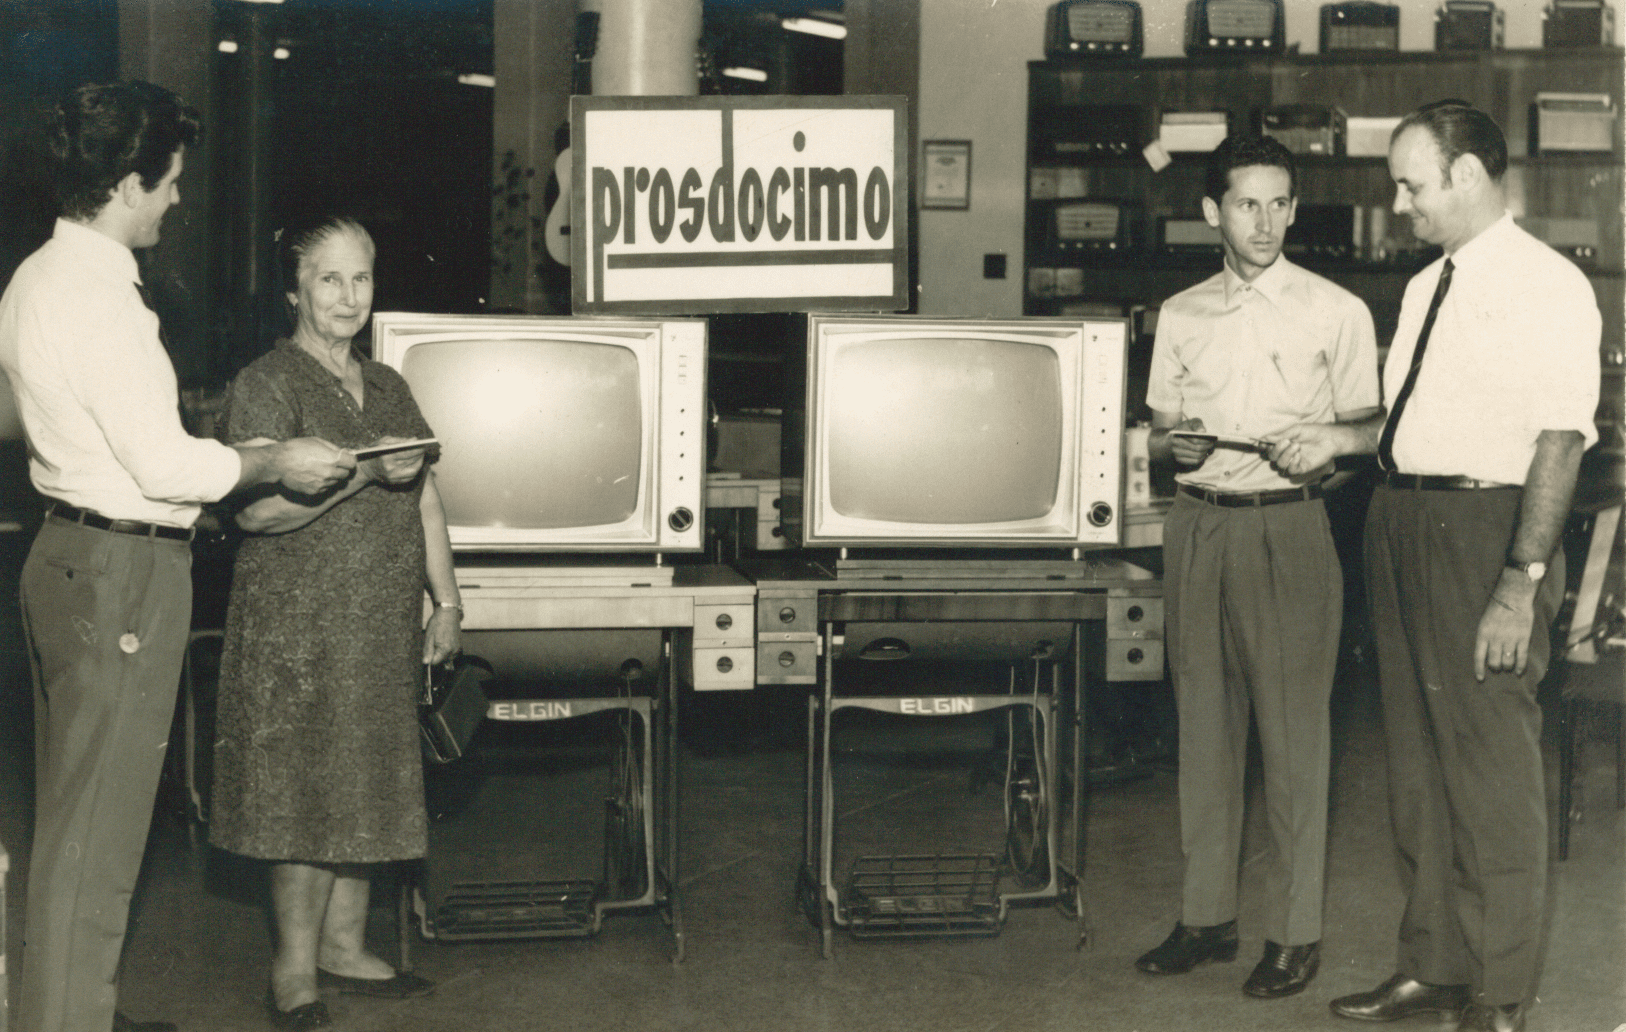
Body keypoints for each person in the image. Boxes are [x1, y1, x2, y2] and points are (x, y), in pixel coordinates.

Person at [0, 81, 354, 1032]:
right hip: (122, 575)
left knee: (68, 822)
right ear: (126, 182)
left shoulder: (36, 275)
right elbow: (163, 465)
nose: (177, 199)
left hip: (66, 558)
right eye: (170, 182)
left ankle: (66, 1008)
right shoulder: (105, 301)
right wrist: (273, 457)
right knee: (100, 833)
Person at [1271, 101, 1600, 1032]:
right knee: (1414, 772)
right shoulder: (1426, 286)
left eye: (1412, 184)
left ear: (1465, 174)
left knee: (1491, 776)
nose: (1401, 203)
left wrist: (1518, 582)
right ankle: (1434, 968)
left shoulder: (1547, 286)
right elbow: (1411, 423)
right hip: (1400, 522)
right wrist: (1337, 438)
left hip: (1484, 536)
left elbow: (1559, 442)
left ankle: (1499, 996)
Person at [1134, 134, 1381, 999]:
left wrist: (1325, 456)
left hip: (1289, 532)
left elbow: (1366, 440)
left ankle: (1294, 932)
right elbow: (1159, 438)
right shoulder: (1181, 313)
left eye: (1281, 203)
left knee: (1294, 742)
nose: (1268, 221)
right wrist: (1174, 445)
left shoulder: (1337, 311)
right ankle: (1206, 918)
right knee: (1202, 733)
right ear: (1212, 212)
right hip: (1199, 528)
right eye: (1249, 203)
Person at [206, 215, 461, 1030]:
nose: (349, 297)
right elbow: (255, 519)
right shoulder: (267, 382)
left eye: (362, 279)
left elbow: (424, 496)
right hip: (298, 627)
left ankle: (344, 947)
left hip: (380, 622)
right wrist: (360, 478)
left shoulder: (388, 385)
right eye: (329, 279)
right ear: (295, 291)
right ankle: (292, 973)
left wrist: (446, 602)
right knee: (305, 795)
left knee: (370, 785)